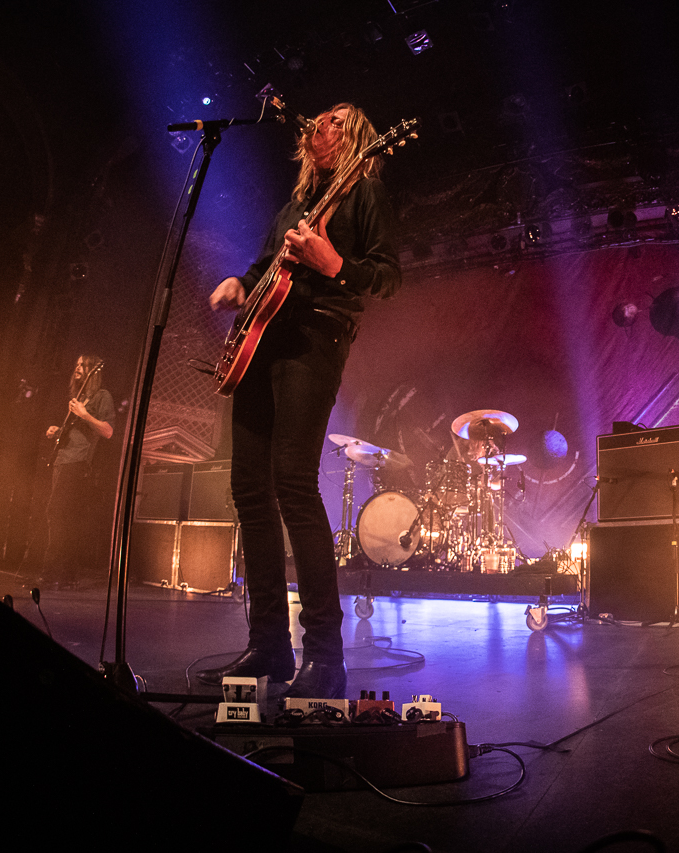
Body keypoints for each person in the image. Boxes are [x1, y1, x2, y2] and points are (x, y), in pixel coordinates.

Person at [199, 104, 401, 699]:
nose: (322, 122)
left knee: (292, 482)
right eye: (321, 117)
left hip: (314, 339)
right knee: (248, 490)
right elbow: (267, 269)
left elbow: (387, 276)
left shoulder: (363, 192)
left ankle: (325, 654)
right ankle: (267, 647)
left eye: (337, 119)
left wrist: (333, 263)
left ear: (356, 135)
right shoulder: (294, 206)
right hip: (263, 342)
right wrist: (241, 282)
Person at [42, 355, 115, 588]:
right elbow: (75, 431)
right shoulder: (79, 397)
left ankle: (54, 572)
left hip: (78, 462)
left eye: (83, 365)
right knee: (63, 518)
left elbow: (108, 431)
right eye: (77, 365)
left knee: (57, 514)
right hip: (62, 460)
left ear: (94, 371)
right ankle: (64, 575)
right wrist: (58, 431)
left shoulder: (102, 396)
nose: (78, 368)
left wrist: (84, 414)